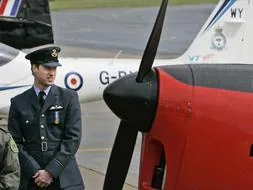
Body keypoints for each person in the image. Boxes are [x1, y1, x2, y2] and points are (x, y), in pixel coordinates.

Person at [8, 46, 84, 189]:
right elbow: (15, 143)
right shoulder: (18, 103)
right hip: (32, 179)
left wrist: (51, 171)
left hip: (65, 178)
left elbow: (73, 138)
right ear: (34, 68)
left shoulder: (68, 98)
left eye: (54, 69)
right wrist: (35, 170)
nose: (52, 73)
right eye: (47, 68)